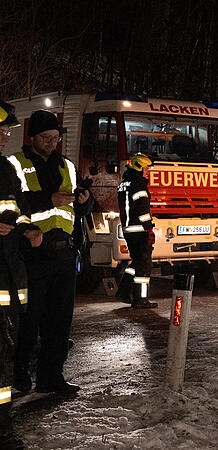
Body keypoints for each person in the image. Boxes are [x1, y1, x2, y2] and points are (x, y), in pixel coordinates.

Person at [10, 110, 93, 395]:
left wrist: (84, 201)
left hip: (64, 254)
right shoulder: (15, 165)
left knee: (59, 322)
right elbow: (12, 205)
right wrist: (48, 200)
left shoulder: (66, 166)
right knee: (28, 320)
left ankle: (51, 377)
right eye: (46, 138)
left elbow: (74, 207)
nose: (52, 143)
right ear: (32, 136)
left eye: (56, 138)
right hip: (31, 255)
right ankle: (19, 376)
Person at [0, 101, 42, 449]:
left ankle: (2, 427)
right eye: (1, 130)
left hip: (8, 277)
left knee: (3, 359)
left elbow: (19, 209)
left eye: (8, 131)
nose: (5, 136)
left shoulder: (5, 169)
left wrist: (27, 229)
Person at [117, 154, 157, 308]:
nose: (148, 172)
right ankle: (140, 299)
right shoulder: (138, 185)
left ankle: (124, 292)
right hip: (140, 230)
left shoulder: (123, 184)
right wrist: (149, 228)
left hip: (129, 230)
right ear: (139, 167)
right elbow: (142, 210)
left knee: (137, 262)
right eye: (146, 168)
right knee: (144, 265)